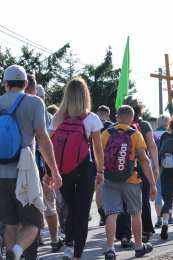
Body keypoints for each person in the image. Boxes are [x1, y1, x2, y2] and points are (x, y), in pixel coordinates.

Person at [0, 65, 62, 260]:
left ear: (5, 84)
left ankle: (12, 254)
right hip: (25, 174)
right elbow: (43, 139)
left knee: (9, 223)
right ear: (26, 84)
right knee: (34, 223)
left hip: (1, 174)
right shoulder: (35, 103)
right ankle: (16, 251)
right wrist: (54, 169)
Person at [52, 77, 104, 260]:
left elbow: (51, 147)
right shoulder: (92, 118)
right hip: (85, 169)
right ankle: (75, 254)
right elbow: (97, 149)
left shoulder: (57, 118)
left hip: (63, 171)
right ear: (85, 95)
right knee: (81, 213)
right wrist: (100, 171)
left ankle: (68, 244)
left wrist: (49, 172)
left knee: (72, 209)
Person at [101, 105, 157, 259]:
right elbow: (144, 161)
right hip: (131, 179)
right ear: (132, 119)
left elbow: (100, 157)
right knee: (135, 213)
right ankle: (139, 247)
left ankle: (110, 249)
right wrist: (152, 184)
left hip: (110, 179)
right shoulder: (136, 134)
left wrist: (99, 176)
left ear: (117, 117)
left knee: (111, 214)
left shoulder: (106, 133)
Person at [121, 97, 160, 243]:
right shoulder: (144, 125)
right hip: (141, 166)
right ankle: (146, 231)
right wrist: (155, 166)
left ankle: (125, 235)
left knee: (123, 200)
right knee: (142, 199)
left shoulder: (118, 125)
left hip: (122, 167)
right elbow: (152, 146)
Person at [36, 85, 64, 251]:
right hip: (43, 168)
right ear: (44, 98)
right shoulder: (49, 118)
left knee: (28, 206)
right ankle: (54, 239)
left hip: (20, 167)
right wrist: (53, 170)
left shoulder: (17, 112)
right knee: (49, 205)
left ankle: (36, 237)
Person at [153, 116, 173, 229]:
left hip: (154, 167)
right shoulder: (170, 135)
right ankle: (169, 217)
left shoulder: (152, 134)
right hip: (168, 167)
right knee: (168, 194)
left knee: (157, 194)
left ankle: (158, 219)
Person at [96, 105, 114, 227]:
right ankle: (108, 214)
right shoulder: (112, 126)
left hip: (95, 161)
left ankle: (102, 216)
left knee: (99, 189)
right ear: (108, 114)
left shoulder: (92, 124)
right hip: (109, 161)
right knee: (110, 189)